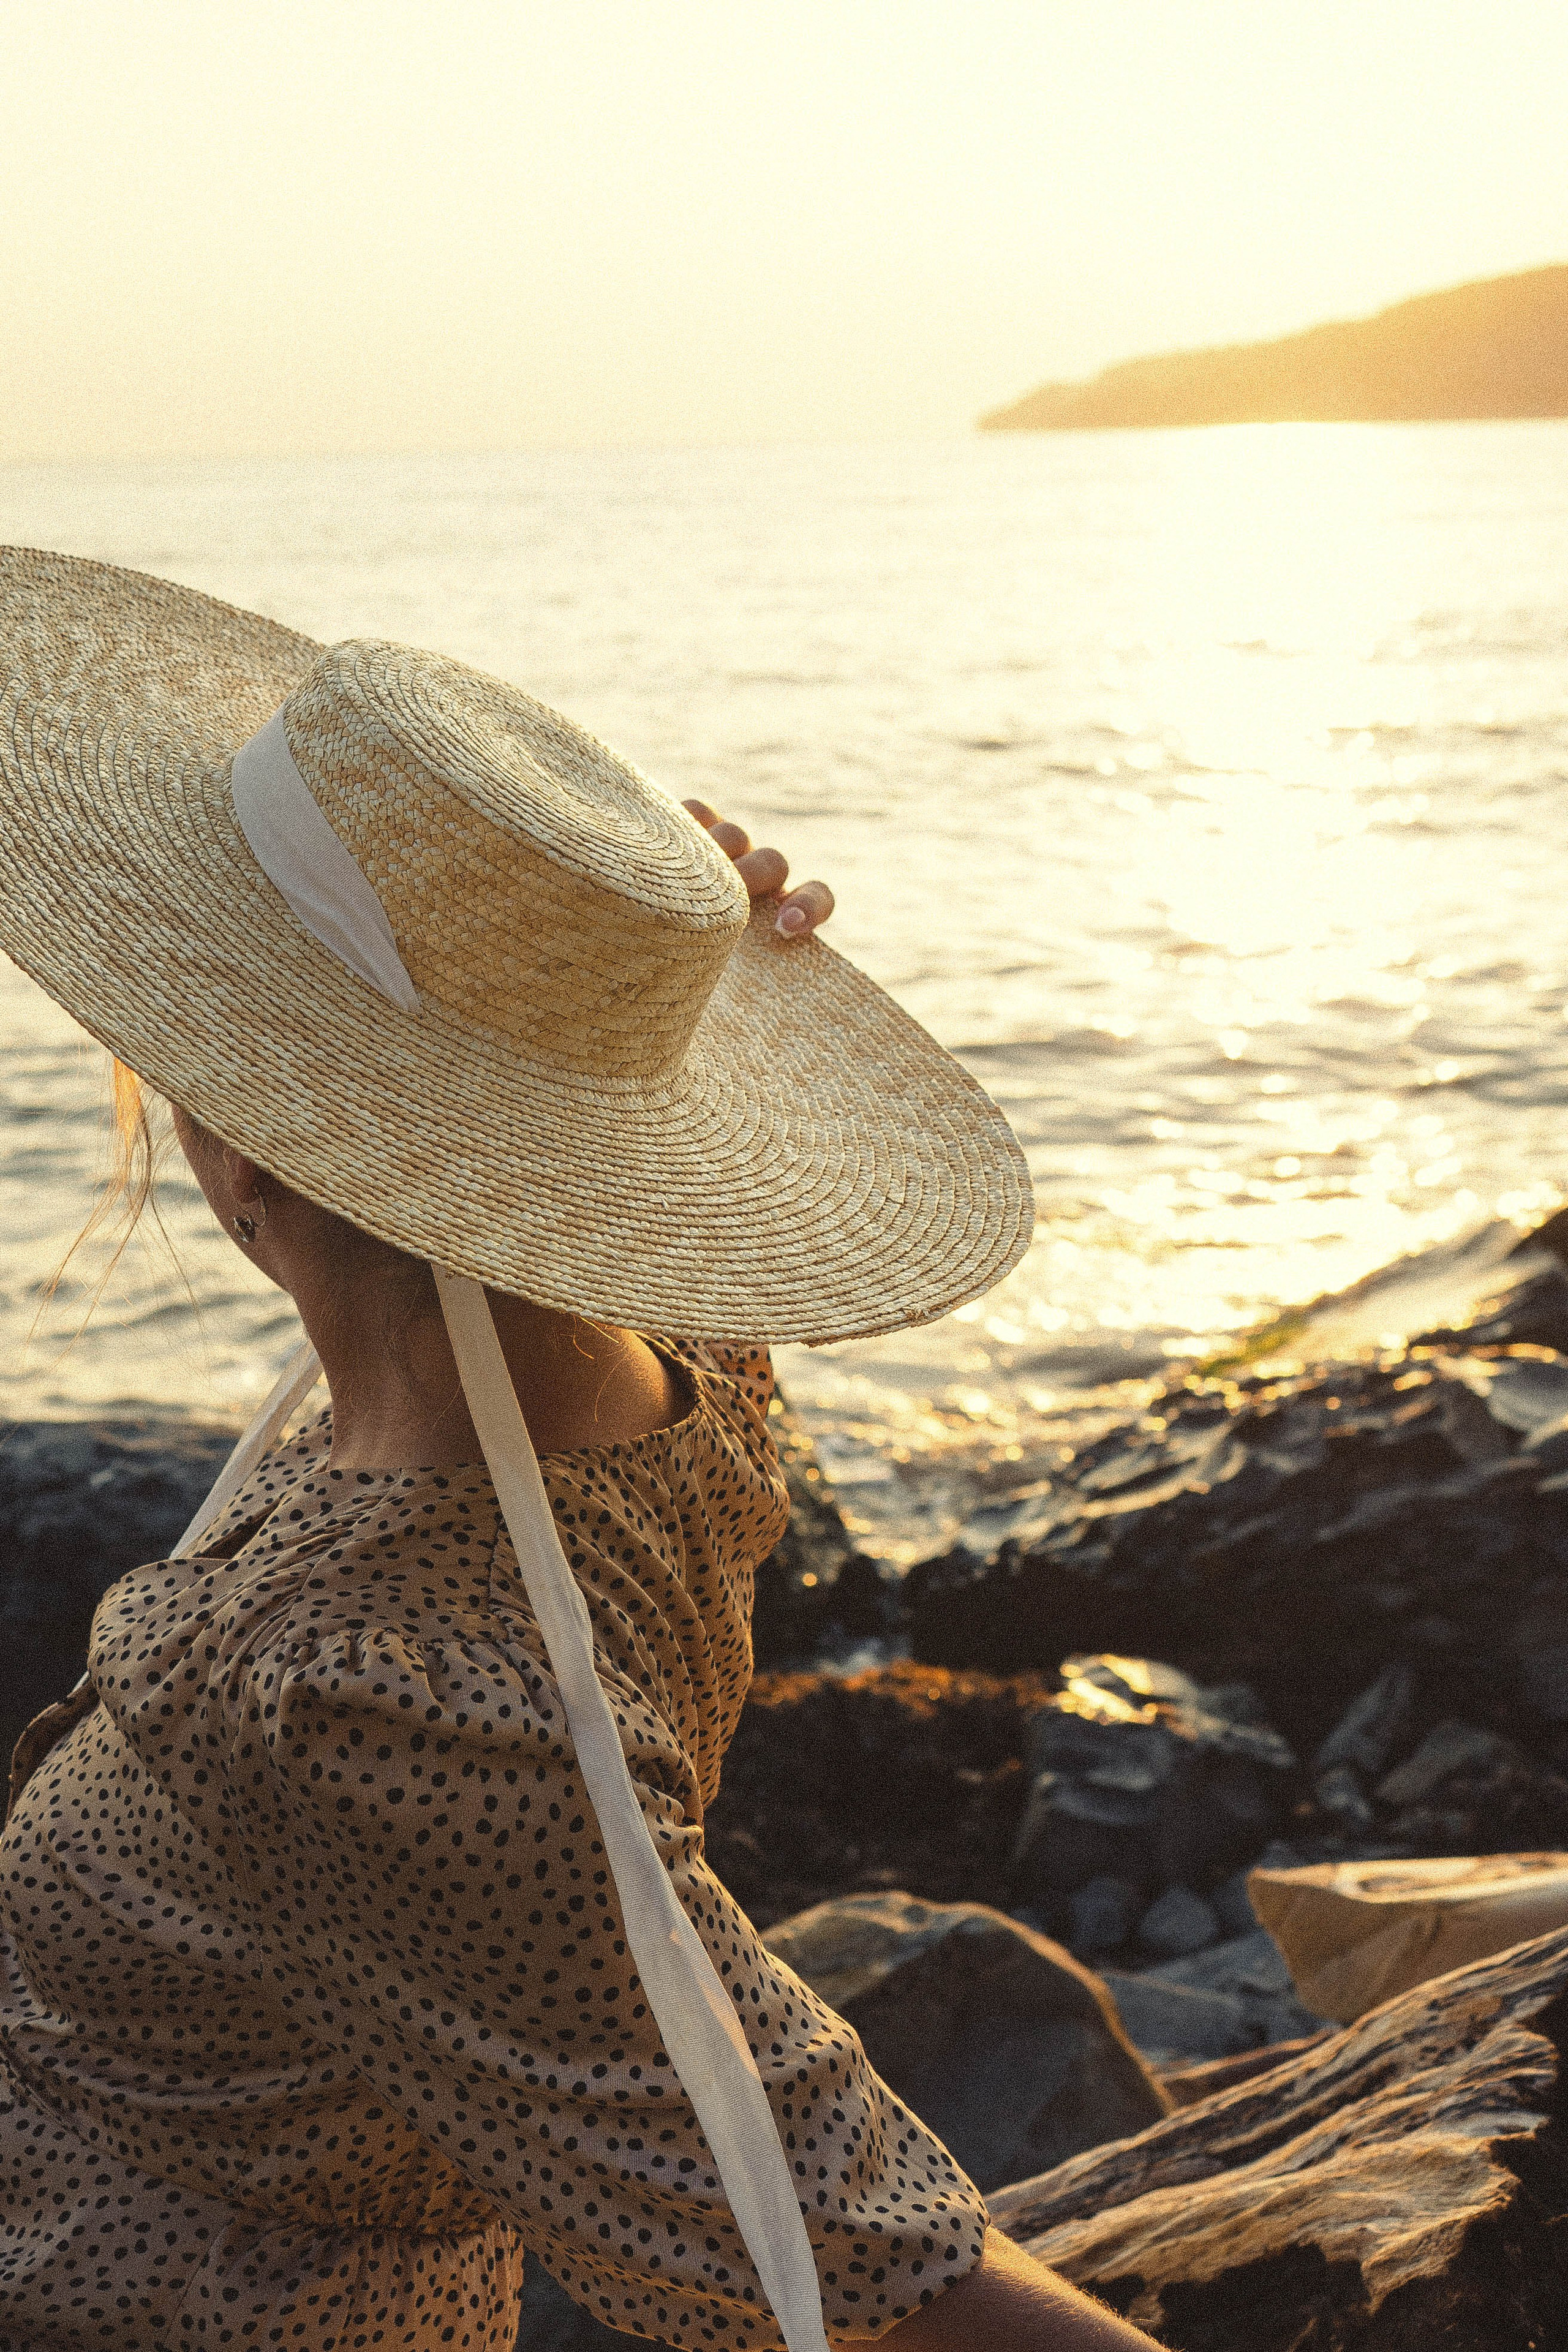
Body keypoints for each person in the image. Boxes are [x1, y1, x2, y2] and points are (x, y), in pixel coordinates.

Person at [0, 548, 1162, 2352]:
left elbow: (847, 2247)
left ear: (243, 1173)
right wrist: (647, 990)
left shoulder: (376, 1694)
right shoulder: (682, 1390)